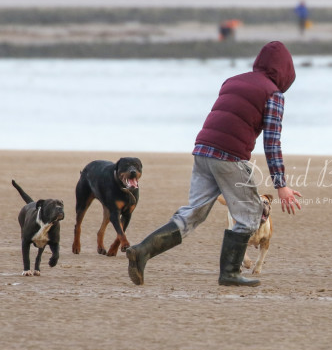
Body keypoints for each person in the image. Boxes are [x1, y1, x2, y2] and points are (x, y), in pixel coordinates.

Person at [126, 41, 303, 287]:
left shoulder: (232, 81)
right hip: (228, 156)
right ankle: (229, 273)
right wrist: (281, 184)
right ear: (285, 71)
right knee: (251, 212)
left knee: (194, 213)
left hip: (202, 151)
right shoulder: (273, 94)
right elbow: (272, 143)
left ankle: (142, 251)